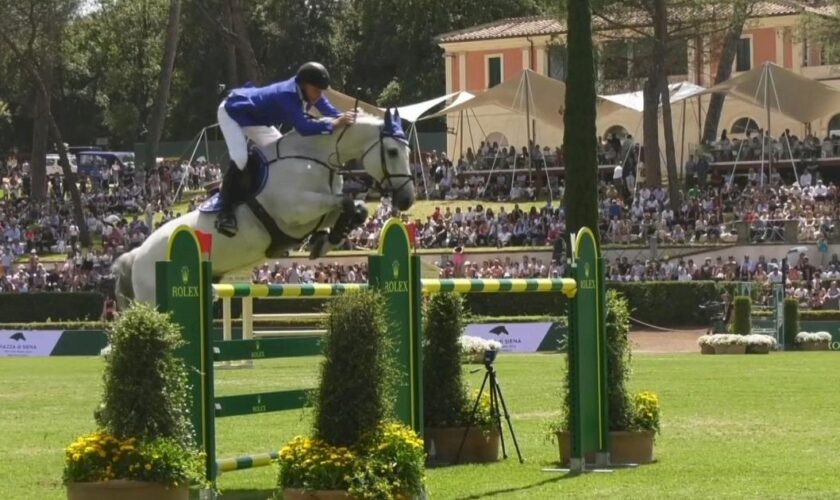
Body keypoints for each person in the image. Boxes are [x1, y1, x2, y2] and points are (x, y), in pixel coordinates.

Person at [214, 62, 357, 236]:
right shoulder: (287, 95)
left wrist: (344, 118)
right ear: (305, 85)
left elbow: (326, 108)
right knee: (241, 158)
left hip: (255, 119)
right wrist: (334, 124)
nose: (319, 95)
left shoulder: (305, 90)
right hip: (232, 112)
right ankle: (225, 211)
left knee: (281, 151)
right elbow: (303, 128)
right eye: (317, 90)